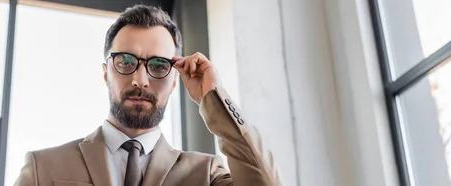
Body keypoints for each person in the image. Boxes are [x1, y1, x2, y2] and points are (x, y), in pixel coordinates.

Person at [14, 5, 279, 186]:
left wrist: (214, 98)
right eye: (126, 61)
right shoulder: (43, 167)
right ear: (106, 73)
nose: (140, 80)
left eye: (159, 66)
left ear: (176, 80)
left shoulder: (206, 175)